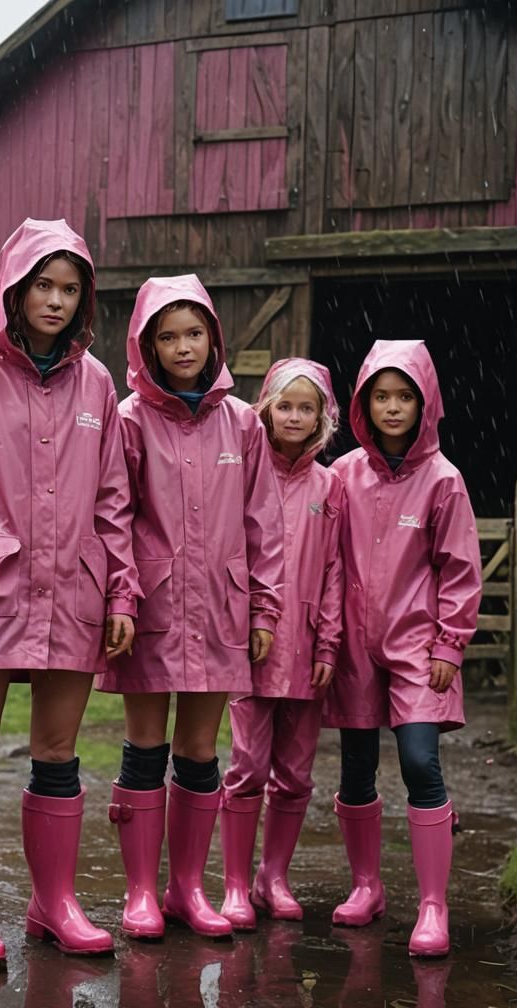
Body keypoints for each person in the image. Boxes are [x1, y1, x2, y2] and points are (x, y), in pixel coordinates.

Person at [0, 218, 139, 965]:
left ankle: (54, 902)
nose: (56, 301)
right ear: (14, 286)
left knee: (58, 748)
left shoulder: (98, 383)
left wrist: (122, 594)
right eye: (43, 285)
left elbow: (114, 500)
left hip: (75, 584)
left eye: (70, 289)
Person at [98, 275, 283, 940]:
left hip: (222, 605)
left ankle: (188, 890)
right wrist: (121, 591)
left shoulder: (243, 424)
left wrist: (264, 610)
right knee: (146, 745)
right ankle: (141, 893)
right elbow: (113, 515)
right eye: (168, 336)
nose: (182, 347)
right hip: (149, 604)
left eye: (194, 333)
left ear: (215, 339)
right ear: (147, 344)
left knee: (200, 749)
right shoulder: (126, 420)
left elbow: (264, 523)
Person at [323, 338, 481, 957]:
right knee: (356, 767)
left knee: (420, 762)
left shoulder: (443, 481)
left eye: (404, 397)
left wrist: (450, 642)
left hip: (419, 647)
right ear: (364, 404)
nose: (392, 408)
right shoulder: (342, 476)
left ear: (424, 404)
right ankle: (366, 887)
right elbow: (327, 560)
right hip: (355, 646)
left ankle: (433, 905)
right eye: (380, 397)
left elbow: (460, 568)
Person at [220, 358, 344, 929]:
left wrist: (328, 645)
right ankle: (236, 884)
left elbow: (337, 571)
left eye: (307, 408)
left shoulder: (330, 486)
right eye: (286, 405)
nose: (295, 417)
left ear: (323, 417)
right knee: (247, 764)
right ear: (266, 408)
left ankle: (275, 876)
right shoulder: (245, 468)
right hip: (251, 643)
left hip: (308, 646)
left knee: (295, 771)